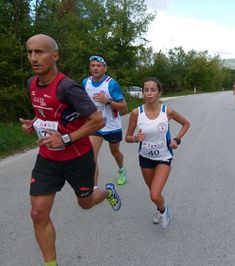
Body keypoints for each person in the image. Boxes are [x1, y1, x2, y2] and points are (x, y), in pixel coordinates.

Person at [20, 34, 121, 266]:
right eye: (30, 52)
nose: (34, 58)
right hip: (47, 158)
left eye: (40, 52)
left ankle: (107, 192)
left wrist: (65, 139)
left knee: (85, 203)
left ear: (55, 56)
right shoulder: (31, 83)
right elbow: (47, 114)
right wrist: (33, 123)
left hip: (77, 157)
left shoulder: (68, 87)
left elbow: (97, 121)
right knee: (38, 214)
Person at [125, 77, 190, 228]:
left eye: (153, 90)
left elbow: (186, 124)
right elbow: (127, 137)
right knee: (154, 194)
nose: (148, 93)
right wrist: (135, 138)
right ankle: (160, 210)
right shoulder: (136, 113)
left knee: (154, 194)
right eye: (146, 90)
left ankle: (163, 210)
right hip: (145, 158)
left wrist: (177, 140)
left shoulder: (167, 111)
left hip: (164, 157)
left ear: (159, 93)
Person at [83, 55, 128, 186]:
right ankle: (94, 189)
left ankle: (121, 169)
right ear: (90, 67)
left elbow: (124, 107)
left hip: (112, 125)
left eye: (99, 66)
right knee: (91, 157)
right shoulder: (86, 82)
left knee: (115, 152)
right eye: (93, 65)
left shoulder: (111, 84)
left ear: (105, 68)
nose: (95, 68)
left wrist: (107, 101)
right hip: (95, 125)